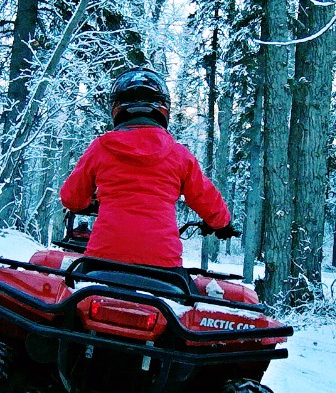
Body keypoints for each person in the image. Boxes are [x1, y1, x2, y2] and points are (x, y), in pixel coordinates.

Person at [59, 68, 235, 266]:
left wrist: (89, 203)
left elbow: (70, 197)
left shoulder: (100, 148)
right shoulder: (179, 155)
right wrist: (222, 224)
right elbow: (206, 198)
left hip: (102, 259)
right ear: (162, 109)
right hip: (163, 266)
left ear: (117, 108)